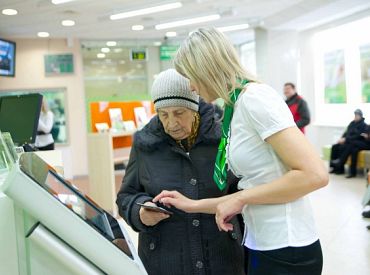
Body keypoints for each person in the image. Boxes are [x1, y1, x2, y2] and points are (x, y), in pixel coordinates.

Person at [154, 28, 328, 275]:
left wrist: (240, 198)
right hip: (261, 241)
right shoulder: (234, 107)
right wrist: (191, 205)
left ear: (206, 67)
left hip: (287, 247)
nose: (191, 87)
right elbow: (253, 187)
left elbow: (315, 175)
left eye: (190, 77)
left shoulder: (255, 98)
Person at [116, 69, 245, 275]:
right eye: (163, 114)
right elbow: (125, 197)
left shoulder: (224, 138)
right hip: (164, 260)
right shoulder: (145, 144)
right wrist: (140, 213)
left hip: (222, 257)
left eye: (179, 113)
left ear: (194, 107)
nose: (171, 123)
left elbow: (245, 191)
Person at [329, 109, 367, 176]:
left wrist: (346, 139)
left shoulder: (363, 125)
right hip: (347, 141)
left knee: (343, 147)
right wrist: (341, 138)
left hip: (351, 142)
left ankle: (340, 166)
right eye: (355, 115)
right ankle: (334, 167)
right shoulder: (352, 123)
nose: (356, 116)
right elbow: (346, 132)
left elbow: (358, 136)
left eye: (357, 115)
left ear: (361, 116)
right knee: (335, 146)